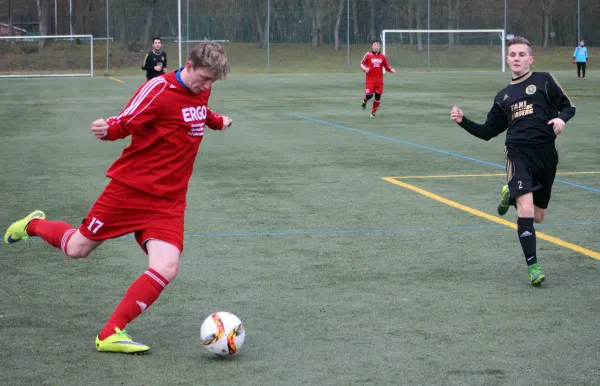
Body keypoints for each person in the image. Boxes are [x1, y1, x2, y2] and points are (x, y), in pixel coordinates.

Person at [4, 42, 233, 354]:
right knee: (77, 248)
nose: (206, 86)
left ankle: (111, 332)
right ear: (189, 66)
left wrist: (217, 121)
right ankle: (34, 225)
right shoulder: (158, 88)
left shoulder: (200, 90)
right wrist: (107, 128)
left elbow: (196, 111)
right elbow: (127, 119)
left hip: (168, 202)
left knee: (166, 267)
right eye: (204, 79)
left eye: (212, 83)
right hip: (131, 191)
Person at [449, 36, 576, 286]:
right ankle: (533, 266)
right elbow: (487, 132)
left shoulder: (545, 80)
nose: (517, 58)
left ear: (531, 59)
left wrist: (562, 119)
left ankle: (511, 192)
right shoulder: (503, 96)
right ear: (507, 59)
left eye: (521, 54)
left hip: (546, 155)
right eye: (512, 55)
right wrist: (462, 120)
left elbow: (568, 107)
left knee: (538, 216)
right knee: (526, 208)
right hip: (517, 152)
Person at [360, 39, 396, 118]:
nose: (376, 46)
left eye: (377, 45)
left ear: (380, 46)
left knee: (377, 96)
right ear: (372, 46)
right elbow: (362, 63)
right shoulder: (368, 55)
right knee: (369, 95)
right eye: (374, 44)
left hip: (379, 81)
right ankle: (364, 101)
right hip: (370, 80)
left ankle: (373, 113)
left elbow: (387, 66)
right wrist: (365, 68)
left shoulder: (382, 57)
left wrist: (391, 69)